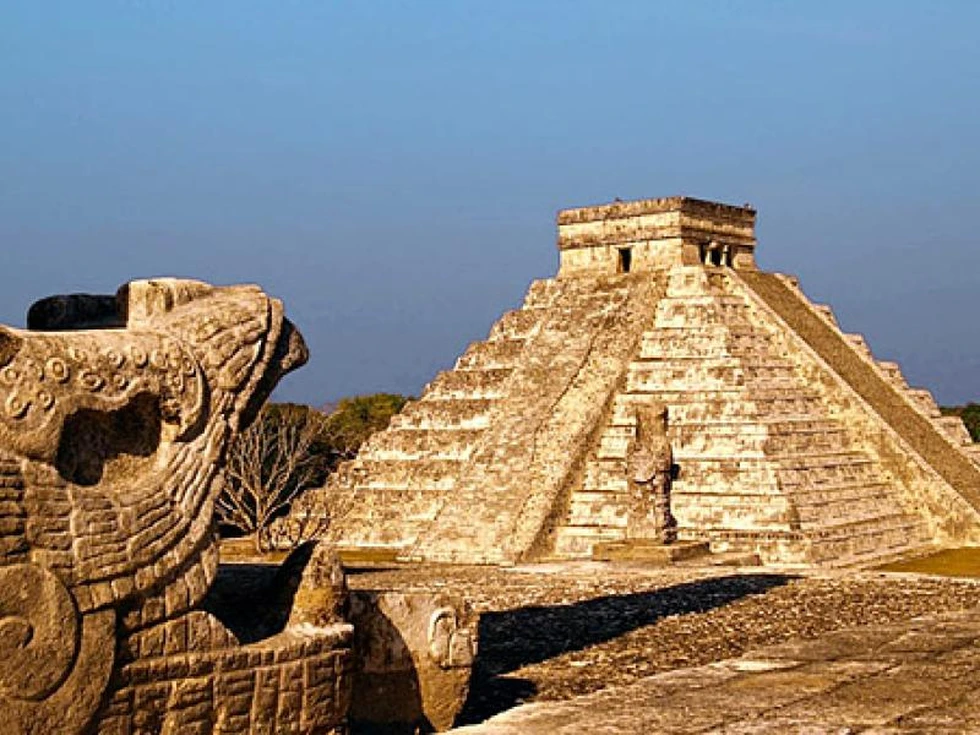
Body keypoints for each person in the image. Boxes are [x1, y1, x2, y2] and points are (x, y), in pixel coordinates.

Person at [626, 404, 677, 543]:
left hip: (649, 481)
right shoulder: (661, 444)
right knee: (660, 501)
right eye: (661, 420)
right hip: (657, 483)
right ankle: (662, 527)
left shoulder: (633, 445)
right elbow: (665, 471)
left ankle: (659, 525)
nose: (665, 424)